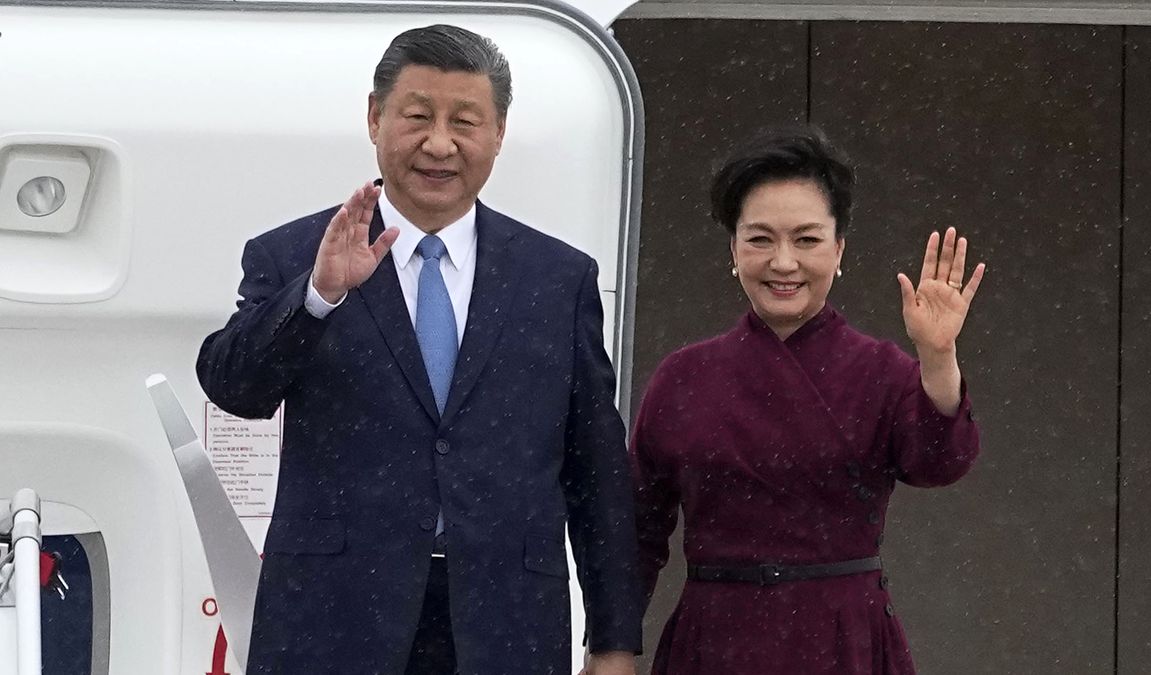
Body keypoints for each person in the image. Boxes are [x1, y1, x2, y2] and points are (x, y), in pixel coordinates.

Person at [196, 24, 640, 675]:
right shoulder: (296, 255)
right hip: (334, 619)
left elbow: (596, 471)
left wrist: (614, 640)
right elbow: (234, 387)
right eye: (417, 116)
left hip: (505, 622)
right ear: (375, 118)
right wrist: (319, 295)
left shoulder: (557, 279)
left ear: (499, 132)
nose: (439, 143)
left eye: (464, 120)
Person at [631, 128, 984, 674]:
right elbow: (636, 530)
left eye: (807, 239)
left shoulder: (881, 371)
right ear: (733, 249)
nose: (783, 262)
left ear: (839, 249)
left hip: (845, 638)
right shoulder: (684, 377)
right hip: (716, 637)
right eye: (760, 239)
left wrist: (938, 358)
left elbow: (940, 463)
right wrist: (612, 647)